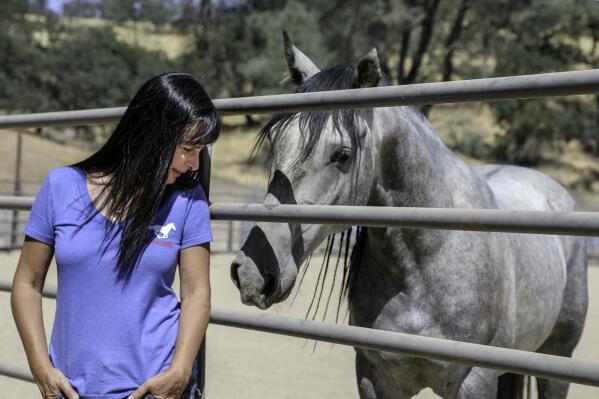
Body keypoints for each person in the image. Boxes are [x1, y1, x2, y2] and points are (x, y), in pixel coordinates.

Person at [11, 72, 221, 399]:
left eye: (199, 151)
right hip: (72, 392)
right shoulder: (59, 187)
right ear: (153, 135)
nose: (194, 164)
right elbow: (26, 283)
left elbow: (196, 293)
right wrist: (40, 368)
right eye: (187, 149)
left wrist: (179, 372)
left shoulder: (187, 200)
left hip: (156, 392)